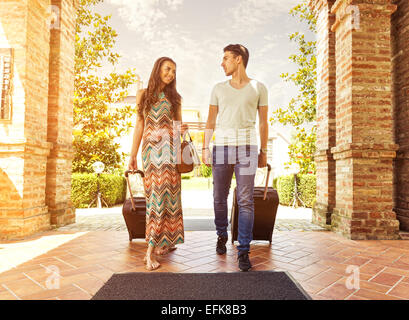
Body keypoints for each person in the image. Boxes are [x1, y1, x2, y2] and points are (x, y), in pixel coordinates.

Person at [202, 44, 269, 271]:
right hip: (221, 148)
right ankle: (222, 234)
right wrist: (204, 147)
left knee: (246, 200)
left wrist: (264, 151)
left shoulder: (258, 87)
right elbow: (210, 121)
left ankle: (243, 250)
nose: (222, 63)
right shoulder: (218, 88)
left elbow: (263, 122)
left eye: (226, 58)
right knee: (219, 197)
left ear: (238, 59)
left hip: (248, 149)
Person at [128, 57, 187, 271]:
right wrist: (132, 154)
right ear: (158, 69)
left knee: (169, 195)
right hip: (151, 152)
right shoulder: (143, 94)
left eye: (173, 71)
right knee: (156, 197)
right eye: (167, 69)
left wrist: (182, 130)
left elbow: (178, 128)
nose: (170, 74)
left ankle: (164, 242)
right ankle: (149, 251)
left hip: (170, 151)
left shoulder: (176, 98)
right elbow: (139, 125)